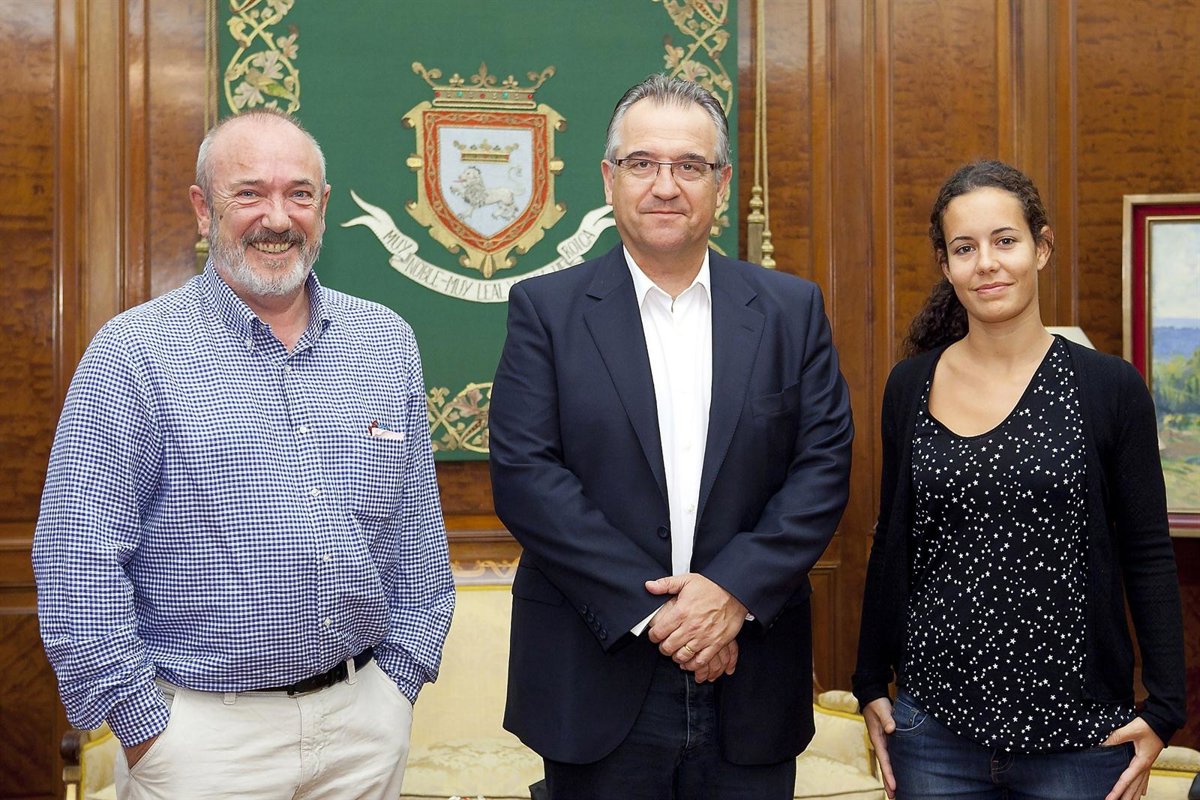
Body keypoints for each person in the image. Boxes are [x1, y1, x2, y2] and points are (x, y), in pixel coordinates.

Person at [33, 108, 455, 799]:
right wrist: (146, 731)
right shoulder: (133, 354)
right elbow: (76, 559)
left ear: (323, 206)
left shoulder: (384, 341)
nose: (277, 218)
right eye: (250, 193)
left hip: (364, 725)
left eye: (298, 194)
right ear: (204, 210)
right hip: (203, 743)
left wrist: (398, 682)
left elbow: (416, 536)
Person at [489, 74, 854, 799]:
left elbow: (822, 468)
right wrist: (664, 615)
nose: (665, 186)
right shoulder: (546, 311)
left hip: (751, 676)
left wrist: (731, 593)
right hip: (596, 678)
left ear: (722, 183)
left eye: (689, 165)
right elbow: (528, 478)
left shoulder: (791, 310)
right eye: (642, 164)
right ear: (608, 179)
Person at [853, 160, 1186, 800]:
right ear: (945, 265)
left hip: (1083, 736)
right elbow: (893, 540)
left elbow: (1147, 551)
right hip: (933, 730)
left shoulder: (1108, 386)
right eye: (964, 248)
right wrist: (870, 682)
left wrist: (1165, 707)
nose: (987, 263)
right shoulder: (909, 386)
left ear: (1042, 247)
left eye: (1005, 240)